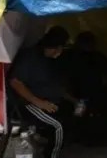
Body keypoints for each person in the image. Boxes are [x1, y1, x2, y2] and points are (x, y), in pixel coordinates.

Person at [8, 26, 78, 158]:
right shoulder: (29, 57)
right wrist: (40, 103)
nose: (60, 52)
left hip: (49, 100)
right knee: (58, 126)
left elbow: (55, 87)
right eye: (59, 49)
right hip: (29, 103)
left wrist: (73, 101)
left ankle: (44, 142)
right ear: (53, 47)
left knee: (70, 116)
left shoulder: (48, 61)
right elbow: (15, 82)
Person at [62, 31, 107, 144]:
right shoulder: (71, 56)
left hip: (87, 95)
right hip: (79, 95)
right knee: (80, 114)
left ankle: (85, 134)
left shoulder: (96, 57)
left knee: (83, 115)